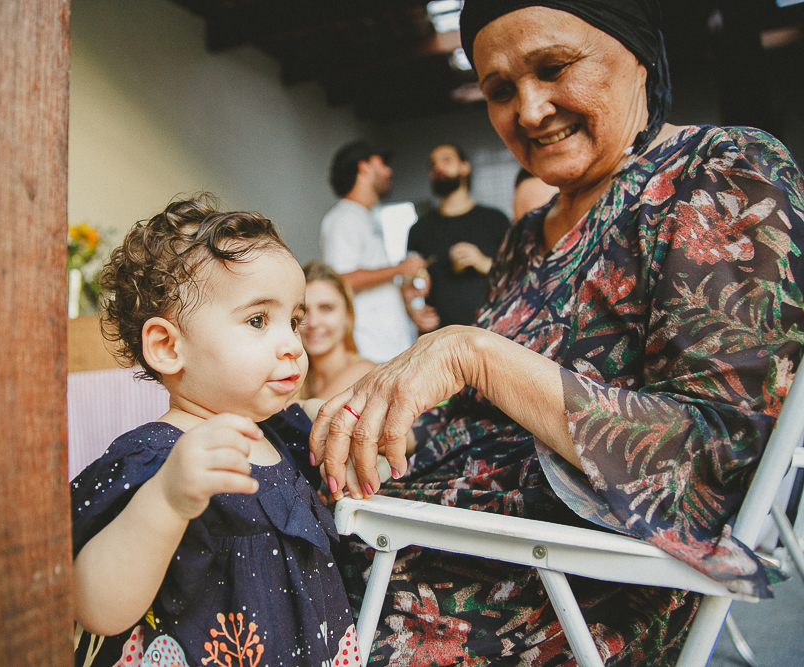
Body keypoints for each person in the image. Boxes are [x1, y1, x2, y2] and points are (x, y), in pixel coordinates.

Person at [310, 1, 804, 665]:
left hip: (557, 581)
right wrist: (332, 420)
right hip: (421, 525)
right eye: (500, 90)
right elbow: (465, 419)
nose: (530, 110)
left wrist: (476, 353)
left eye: (554, 67)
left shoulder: (720, 172)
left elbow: (719, 459)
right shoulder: (523, 237)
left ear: (637, 54)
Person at [71, 196, 361, 667]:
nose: (292, 344)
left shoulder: (284, 434)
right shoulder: (155, 460)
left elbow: (327, 414)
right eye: (257, 320)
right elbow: (96, 607)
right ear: (168, 347)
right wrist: (166, 500)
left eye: (294, 321)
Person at [321, 140, 429, 362]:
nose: (389, 171)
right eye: (382, 164)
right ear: (364, 169)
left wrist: (406, 292)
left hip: (390, 347)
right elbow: (341, 280)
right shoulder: (343, 219)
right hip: (370, 350)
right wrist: (400, 268)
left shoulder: (367, 217)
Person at [406, 143, 512, 328]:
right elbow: (409, 284)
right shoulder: (419, 229)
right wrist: (413, 311)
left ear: (465, 167)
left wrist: (483, 263)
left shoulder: (496, 220)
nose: (438, 167)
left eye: (446, 160)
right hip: (441, 336)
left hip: (495, 332)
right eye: (432, 164)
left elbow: (519, 275)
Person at [296, 262, 377, 401]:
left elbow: (315, 413)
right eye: (303, 311)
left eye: (326, 308)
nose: (313, 322)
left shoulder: (364, 372)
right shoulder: (294, 377)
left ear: (348, 316)